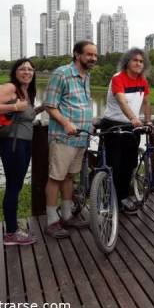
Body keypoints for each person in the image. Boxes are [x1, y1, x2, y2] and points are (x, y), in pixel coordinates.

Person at [0, 59, 42, 246]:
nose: (27, 72)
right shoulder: (10, 88)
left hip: (23, 144)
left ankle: (12, 227)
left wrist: (41, 108)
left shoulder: (26, 92)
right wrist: (14, 107)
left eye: (30, 69)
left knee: (16, 185)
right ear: (15, 72)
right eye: (23, 68)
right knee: (13, 187)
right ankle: (11, 233)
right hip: (13, 145)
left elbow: (25, 116)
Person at [43, 40, 98, 238]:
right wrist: (66, 123)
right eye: (89, 54)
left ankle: (66, 216)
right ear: (77, 54)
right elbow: (50, 105)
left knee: (69, 177)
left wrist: (89, 123)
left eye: (95, 55)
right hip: (63, 137)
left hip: (81, 138)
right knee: (55, 177)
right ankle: (51, 221)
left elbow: (82, 104)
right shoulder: (62, 73)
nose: (93, 58)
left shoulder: (87, 76)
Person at [102, 48, 151, 214]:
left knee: (129, 165)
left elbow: (146, 103)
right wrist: (133, 119)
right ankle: (108, 201)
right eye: (135, 60)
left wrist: (149, 121)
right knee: (113, 165)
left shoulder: (142, 81)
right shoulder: (118, 78)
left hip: (132, 127)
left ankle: (122, 198)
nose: (138, 63)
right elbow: (122, 102)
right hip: (114, 125)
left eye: (141, 61)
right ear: (127, 62)